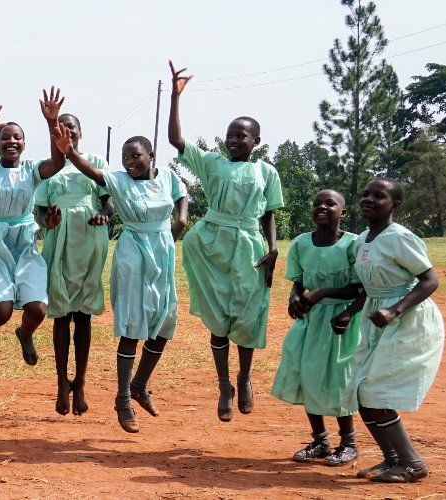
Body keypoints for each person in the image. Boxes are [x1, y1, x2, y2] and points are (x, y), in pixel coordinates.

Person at [50, 127, 187, 434]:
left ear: (151, 155)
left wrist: (181, 220)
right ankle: (123, 399)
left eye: (135, 156)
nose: (129, 162)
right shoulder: (120, 180)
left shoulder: (167, 176)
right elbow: (94, 173)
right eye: (125, 157)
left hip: (162, 251)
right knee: (132, 323)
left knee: (164, 321)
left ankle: (139, 385)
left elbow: (182, 195)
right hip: (133, 252)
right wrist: (69, 151)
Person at [168, 61, 283, 422]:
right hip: (213, 245)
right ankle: (223, 386)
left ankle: (244, 377)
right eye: (230, 135)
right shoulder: (213, 163)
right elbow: (176, 140)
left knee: (248, 318)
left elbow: (269, 215)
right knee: (219, 319)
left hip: (250, 248)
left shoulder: (267, 172)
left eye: (241, 136)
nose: (233, 140)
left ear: (256, 142)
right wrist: (175, 97)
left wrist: (273, 248)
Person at [346, 178, 444, 483]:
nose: (369, 199)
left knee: (376, 391)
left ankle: (413, 463)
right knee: (361, 392)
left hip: (406, 320)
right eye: (366, 194)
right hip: (376, 318)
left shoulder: (399, 238)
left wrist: (394, 310)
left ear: (395, 205)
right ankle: (393, 459)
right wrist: (349, 313)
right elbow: (365, 286)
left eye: (379, 196)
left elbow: (430, 280)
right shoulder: (362, 239)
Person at [0, 98, 62, 377]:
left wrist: (52, 122)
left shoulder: (31, 169)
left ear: (25, 144)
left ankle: (25, 333)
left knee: (37, 309)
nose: (11, 141)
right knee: (2, 309)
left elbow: (57, 162)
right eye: (5, 137)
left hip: (25, 243)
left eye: (17, 137)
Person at [31, 89, 113, 416]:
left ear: (80, 134)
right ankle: (61, 383)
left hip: (91, 240)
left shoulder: (96, 164)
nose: (66, 132)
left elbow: (108, 198)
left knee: (84, 315)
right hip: (59, 242)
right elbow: (38, 210)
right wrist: (46, 221)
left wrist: (104, 214)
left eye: (72, 128)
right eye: (60, 128)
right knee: (61, 315)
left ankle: (80, 381)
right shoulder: (49, 169)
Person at [271, 189, 361, 465]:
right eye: (317, 203)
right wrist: (295, 297)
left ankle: (349, 442)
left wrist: (322, 294)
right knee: (304, 372)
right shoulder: (301, 243)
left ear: (342, 212)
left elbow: (359, 288)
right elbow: (298, 281)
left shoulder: (353, 245)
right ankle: (320, 440)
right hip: (310, 318)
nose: (322, 207)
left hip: (340, 321)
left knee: (338, 378)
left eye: (330, 204)